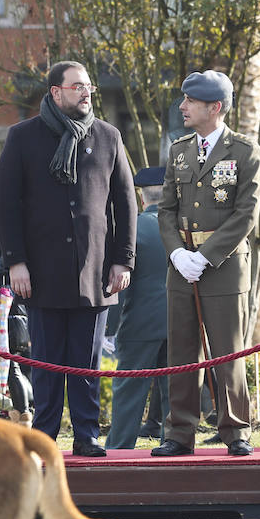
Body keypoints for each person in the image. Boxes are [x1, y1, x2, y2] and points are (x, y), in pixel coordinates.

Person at [0, 60, 136, 457]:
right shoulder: (23, 137)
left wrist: (123, 260)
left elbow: (126, 204)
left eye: (88, 86)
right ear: (56, 92)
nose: (86, 92)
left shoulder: (109, 137)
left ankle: (87, 435)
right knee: (48, 362)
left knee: (87, 362)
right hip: (40, 272)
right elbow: (6, 206)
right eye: (77, 86)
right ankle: (44, 438)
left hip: (95, 272)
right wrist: (15, 261)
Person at [152, 70, 260, 458]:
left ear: (214, 107)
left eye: (191, 102)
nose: (183, 107)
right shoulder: (179, 149)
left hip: (224, 265)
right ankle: (179, 433)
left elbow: (246, 214)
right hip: (182, 265)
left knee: (227, 351)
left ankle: (235, 431)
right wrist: (178, 253)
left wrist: (206, 255)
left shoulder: (245, 151)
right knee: (182, 351)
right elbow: (165, 210)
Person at [105, 166, 169, 451]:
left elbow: (119, 281)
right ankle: (176, 445)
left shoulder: (131, 228)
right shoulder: (183, 228)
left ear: (142, 198)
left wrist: (111, 326)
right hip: (179, 322)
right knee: (175, 393)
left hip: (138, 322)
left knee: (129, 391)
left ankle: (120, 447)